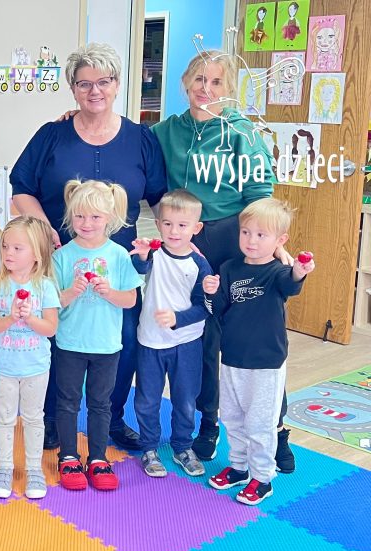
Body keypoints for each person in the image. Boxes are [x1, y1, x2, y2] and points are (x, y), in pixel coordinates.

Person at [10, 42, 166, 453]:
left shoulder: (141, 139)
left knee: (123, 340)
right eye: (84, 83)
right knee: (54, 336)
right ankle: (50, 418)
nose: (94, 90)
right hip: (59, 258)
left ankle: (110, 418)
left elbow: (159, 197)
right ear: (73, 89)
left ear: (117, 84)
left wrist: (176, 241)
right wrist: (47, 231)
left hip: (118, 263)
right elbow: (21, 188)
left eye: (104, 81)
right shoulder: (52, 135)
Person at [151, 50, 295, 470]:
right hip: (188, 240)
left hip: (237, 238)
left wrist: (269, 245)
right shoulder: (165, 131)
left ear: (229, 88)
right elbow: (124, 143)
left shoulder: (241, 131)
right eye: (199, 79)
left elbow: (260, 193)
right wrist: (74, 115)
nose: (206, 89)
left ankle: (276, 429)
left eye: (216, 82)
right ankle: (208, 423)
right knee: (202, 338)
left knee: (252, 336)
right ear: (185, 82)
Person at [203, 198, 314, 505]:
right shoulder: (229, 268)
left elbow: (291, 284)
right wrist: (211, 292)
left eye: (261, 235)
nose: (251, 240)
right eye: (246, 232)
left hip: (266, 363)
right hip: (232, 358)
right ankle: (239, 467)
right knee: (233, 417)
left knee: (260, 423)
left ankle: (262, 477)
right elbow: (217, 310)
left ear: (280, 240)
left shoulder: (278, 272)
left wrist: (299, 271)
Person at [52, 180, 141, 491]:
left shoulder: (119, 255)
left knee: (101, 403)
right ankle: (68, 456)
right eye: (79, 216)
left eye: (95, 217)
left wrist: (110, 292)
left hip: (106, 345)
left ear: (109, 217)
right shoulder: (62, 256)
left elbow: (130, 300)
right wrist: (71, 292)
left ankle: (99, 458)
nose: (86, 223)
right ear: (70, 216)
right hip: (70, 342)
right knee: (67, 401)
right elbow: (52, 302)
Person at [129, 190, 211, 478]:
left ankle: (182, 446)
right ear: (158, 223)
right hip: (150, 342)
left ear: (196, 228)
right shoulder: (153, 253)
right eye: (167, 224)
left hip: (186, 343)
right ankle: (149, 447)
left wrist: (178, 319)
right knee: (147, 399)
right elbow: (140, 267)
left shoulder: (199, 264)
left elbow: (205, 307)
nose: (174, 231)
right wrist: (141, 256)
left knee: (186, 398)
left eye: (182, 225)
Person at [0, 217, 60, 500]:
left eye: (17, 248)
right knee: (4, 418)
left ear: (36, 253)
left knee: (33, 418)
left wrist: (30, 318)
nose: (9, 253)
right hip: (2, 366)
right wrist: (11, 317)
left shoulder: (45, 287)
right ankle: (4, 467)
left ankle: (34, 469)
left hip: (36, 367)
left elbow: (51, 328)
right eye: (5, 246)